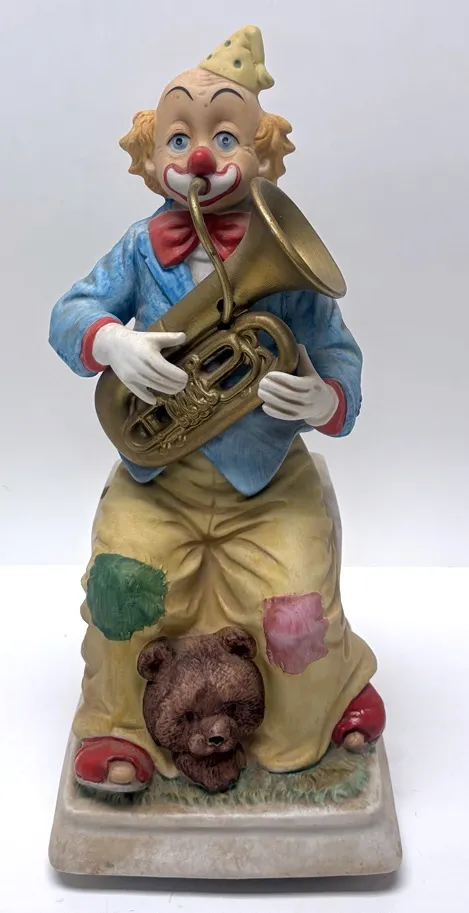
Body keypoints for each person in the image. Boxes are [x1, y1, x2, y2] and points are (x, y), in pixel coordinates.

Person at [49, 25, 385, 794]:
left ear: (262, 153)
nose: (201, 157)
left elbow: (339, 355)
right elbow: (69, 312)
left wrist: (323, 396)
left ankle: (319, 705)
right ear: (151, 156)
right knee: (122, 584)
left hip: (265, 480)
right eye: (180, 138)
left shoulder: (283, 261)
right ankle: (118, 725)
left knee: (295, 606)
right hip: (157, 480)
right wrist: (111, 342)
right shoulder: (141, 248)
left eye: (225, 137)